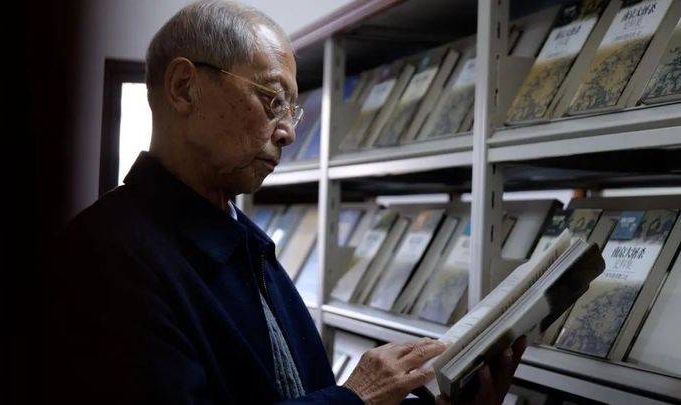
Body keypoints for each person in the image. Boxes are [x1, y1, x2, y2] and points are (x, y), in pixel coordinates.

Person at [46, 1, 526, 404]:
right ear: (184, 88)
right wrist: (355, 398)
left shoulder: (245, 244)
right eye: (272, 99)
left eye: (291, 110)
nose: (289, 133)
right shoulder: (102, 257)